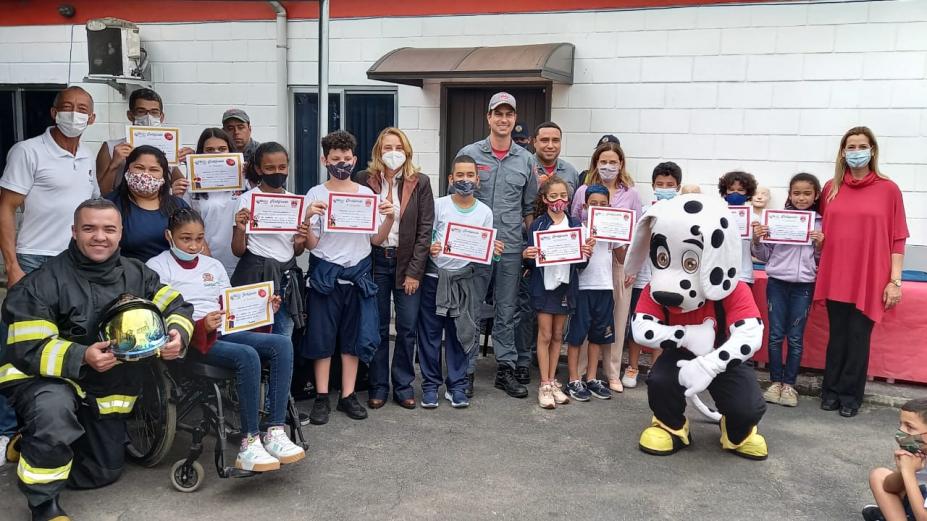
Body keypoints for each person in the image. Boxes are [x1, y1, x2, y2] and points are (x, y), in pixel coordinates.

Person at [0, 198, 193, 521]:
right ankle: (43, 505)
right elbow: (28, 346)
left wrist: (177, 335)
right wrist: (82, 356)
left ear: (120, 234)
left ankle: (31, 443)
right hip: (45, 379)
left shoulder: (137, 273)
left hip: (101, 384)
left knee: (103, 472)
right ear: (74, 232)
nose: (99, 236)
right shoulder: (42, 282)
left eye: (109, 229)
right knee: (53, 413)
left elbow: (176, 306)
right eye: (89, 228)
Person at [147, 208, 305, 472]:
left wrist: (264, 309)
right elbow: (158, 315)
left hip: (224, 328)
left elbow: (232, 307)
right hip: (190, 335)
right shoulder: (157, 267)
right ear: (169, 236)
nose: (194, 245)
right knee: (247, 355)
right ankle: (249, 442)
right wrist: (200, 325)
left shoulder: (213, 265)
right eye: (186, 239)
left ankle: (274, 431)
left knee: (281, 344)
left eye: (199, 238)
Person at [625, 194, 768, 460]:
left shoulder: (732, 288)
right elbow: (641, 327)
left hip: (725, 354)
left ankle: (737, 432)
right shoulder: (656, 287)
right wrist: (685, 335)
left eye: (691, 262)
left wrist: (710, 364)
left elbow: (751, 334)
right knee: (659, 381)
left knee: (747, 407)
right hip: (679, 352)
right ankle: (671, 426)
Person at [815, 126, 908, 418]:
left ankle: (850, 396)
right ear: (843, 152)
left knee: (858, 337)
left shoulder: (888, 188)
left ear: (873, 150)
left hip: (870, 276)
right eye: (851, 147)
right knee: (837, 336)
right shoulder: (831, 188)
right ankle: (829, 391)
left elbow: (897, 238)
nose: (856, 152)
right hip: (836, 273)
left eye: (862, 146)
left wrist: (895, 280)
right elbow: (823, 229)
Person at [302, 130, 393, 425]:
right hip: (326, 274)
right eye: (335, 159)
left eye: (346, 158)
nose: (342, 163)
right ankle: (321, 395)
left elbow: (376, 240)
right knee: (322, 337)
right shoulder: (316, 194)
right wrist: (307, 221)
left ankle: (348, 395)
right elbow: (311, 245)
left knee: (354, 339)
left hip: (358, 274)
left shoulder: (367, 194)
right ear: (324, 160)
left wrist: (390, 217)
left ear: (355, 160)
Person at [455, 92, 538, 399]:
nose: (504, 119)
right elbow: (458, 199)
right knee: (472, 307)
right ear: (488, 117)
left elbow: (528, 207)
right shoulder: (470, 154)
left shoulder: (526, 160)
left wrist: (533, 248)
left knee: (507, 309)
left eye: (509, 114)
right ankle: (466, 370)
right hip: (475, 245)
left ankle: (506, 367)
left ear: (514, 119)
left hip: (512, 246)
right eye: (498, 113)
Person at [355, 127, 434, 410]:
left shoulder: (420, 182)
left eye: (398, 147)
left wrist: (415, 271)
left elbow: (425, 231)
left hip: (406, 264)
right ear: (378, 151)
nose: (393, 153)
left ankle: (402, 386)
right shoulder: (364, 180)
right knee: (375, 327)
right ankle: (377, 386)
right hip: (375, 261)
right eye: (387, 147)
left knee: (407, 326)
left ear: (407, 152)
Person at [420, 155, 501, 408]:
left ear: (477, 180)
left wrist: (493, 250)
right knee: (430, 335)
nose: (464, 180)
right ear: (450, 178)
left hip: (464, 282)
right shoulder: (438, 205)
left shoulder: (484, 212)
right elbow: (427, 236)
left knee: (459, 334)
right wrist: (430, 248)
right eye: (460, 175)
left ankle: (456, 385)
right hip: (435, 279)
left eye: (470, 176)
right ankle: (430, 385)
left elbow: (483, 251)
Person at [0, 86, 100, 287]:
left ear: (91, 118)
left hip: (76, 257)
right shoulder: (28, 151)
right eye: (67, 107)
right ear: (54, 113)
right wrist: (12, 266)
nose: (74, 114)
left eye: (81, 109)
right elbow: (6, 207)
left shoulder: (87, 155)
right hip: (35, 257)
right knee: (29, 317)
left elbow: (94, 201)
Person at [570, 141, 642, 393]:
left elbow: (638, 233)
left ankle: (612, 371)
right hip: (590, 262)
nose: (608, 166)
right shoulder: (583, 191)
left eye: (613, 162)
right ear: (595, 163)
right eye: (603, 162)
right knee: (586, 318)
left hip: (619, 260)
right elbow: (574, 224)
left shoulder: (631, 193)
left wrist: (632, 266)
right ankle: (579, 373)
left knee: (616, 318)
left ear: (621, 164)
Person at [514, 120, 582, 387]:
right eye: (544, 140)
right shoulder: (523, 164)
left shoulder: (571, 172)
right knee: (525, 309)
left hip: (560, 255)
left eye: (555, 140)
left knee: (553, 327)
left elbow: (572, 213)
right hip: (528, 246)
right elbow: (517, 206)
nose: (550, 145)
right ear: (534, 141)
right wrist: (527, 245)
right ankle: (523, 360)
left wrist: (577, 245)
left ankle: (544, 370)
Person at [752, 173, 824, 408]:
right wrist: (757, 240)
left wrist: (820, 244)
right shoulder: (777, 219)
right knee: (775, 335)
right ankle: (775, 383)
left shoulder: (820, 223)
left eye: (807, 193)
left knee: (795, 337)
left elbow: (821, 260)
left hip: (804, 285)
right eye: (796, 193)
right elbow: (764, 256)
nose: (801, 198)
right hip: (778, 283)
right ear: (789, 195)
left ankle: (790, 385)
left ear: (815, 196)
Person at [523, 176, 592, 409]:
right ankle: (543, 383)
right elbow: (532, 264)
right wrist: (528, 256)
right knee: (544, 334)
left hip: (566, 287)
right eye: (553, 196)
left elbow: (581, 266)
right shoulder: (538, 226)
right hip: (544, 288)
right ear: (545, 199)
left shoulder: (575, 226)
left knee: (557, 335)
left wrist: (585, 253)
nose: (559, 200)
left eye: (563, 196)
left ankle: (552, 381)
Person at [231, 142, 308, 338]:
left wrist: (300, 241)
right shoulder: (247, 200)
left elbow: (296, 251)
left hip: (286, 279)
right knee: (252, 336)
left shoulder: (295, 201)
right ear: (258, 169)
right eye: (270, 168)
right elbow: (238, 250)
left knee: (284, 337)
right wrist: (240, 229)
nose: (277, 172)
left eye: (282, 167)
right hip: (254, 276)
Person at [622, 161, 682, 389]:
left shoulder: (683, 212)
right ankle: (633, 366)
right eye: (660, 184)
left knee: (664, 325)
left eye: (670, 184)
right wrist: (632, 270)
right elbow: (636, 244)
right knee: (638, 323)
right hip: (644, 278)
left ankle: (657, 368)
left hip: (670, 281)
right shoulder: (646, 212)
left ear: (678, 186)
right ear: (653, 185)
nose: (664, 187)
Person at [565, 184, 616, 402]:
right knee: (577, 336)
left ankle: (592, 377)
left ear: (610, 207)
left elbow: (622, 258)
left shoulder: (613, 230)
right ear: (585, 206)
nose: (598, 208)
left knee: (598, 335)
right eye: (593, 204)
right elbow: (574, 263)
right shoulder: (579, 231)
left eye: (603, 205)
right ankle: (573, 378)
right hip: (583, 288)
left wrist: (621, 235)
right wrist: (585, 247)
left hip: (605, 287)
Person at [95, 88, 193, 196]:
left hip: (157, 209)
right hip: (122, 209)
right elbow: (101, 192)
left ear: (161, 117)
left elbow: (185, 188)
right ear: (130, 115)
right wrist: (114, 164)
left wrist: (191, 163)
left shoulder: (168, 149)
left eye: (154, 112)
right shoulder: (111, 147)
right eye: (141, 111)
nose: (148, 117)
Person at [105, 145, 190, 263]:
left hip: (175, 277)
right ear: (127, 170)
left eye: (154, 170)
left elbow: (197, 242)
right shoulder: (110, 206)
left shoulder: (178, 205)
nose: (146, 174)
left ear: (164, 176)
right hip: (131, 276)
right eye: (139, 168)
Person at [186, 128, 245, 276]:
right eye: (210, 149)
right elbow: (186, 224)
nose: (216, 153)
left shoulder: (246, 181)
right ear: (201, 153)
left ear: (231, 151)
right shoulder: (191, 186)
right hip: (205, 257)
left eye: (222, 149)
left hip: (241, 259)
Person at [865, 398, 927, 521]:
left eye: (909, 427)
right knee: (879, 475)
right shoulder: (920, 452)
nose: (901, 432)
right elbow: (888, 487)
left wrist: (909, 473)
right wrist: (903, 470)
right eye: (901, 424)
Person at [717, 170, 759, 285]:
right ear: (725, 193)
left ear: (748, 194)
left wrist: (757, 238)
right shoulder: (716, 216)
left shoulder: (755, 219)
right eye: (731, 189)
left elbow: (758, 253)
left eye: (740, 190)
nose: (735, 193)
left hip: (743, 275)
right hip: (719, 276)